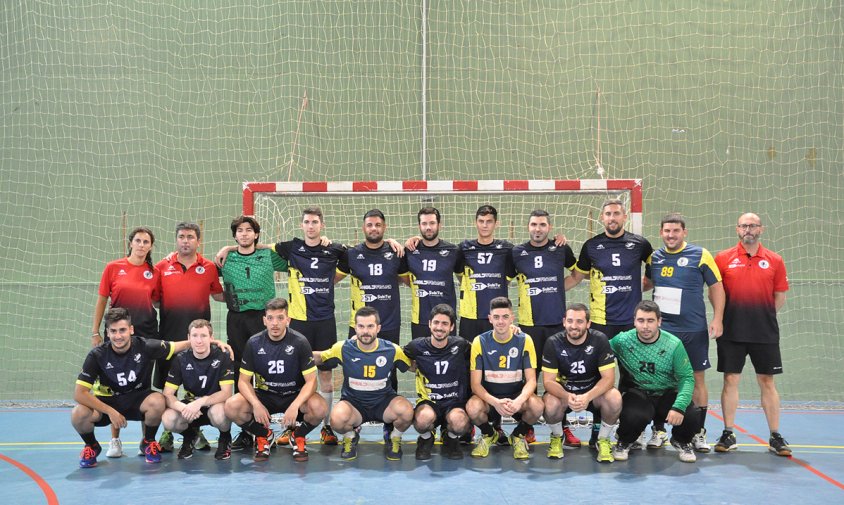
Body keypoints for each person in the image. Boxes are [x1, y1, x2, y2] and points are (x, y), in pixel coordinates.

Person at [72, 308, 229, 468]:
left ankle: (148, 442)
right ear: (107, 332)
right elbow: (79, 393)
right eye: (113, 331)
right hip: (109, 403)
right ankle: (91, 446)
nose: (118, 336)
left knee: (158, 401)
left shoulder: (145, 346)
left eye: (122, 330)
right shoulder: (97, 355)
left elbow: (176, 346)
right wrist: (110, 411)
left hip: (137, 401)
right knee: (78, 413)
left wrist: (210, 341)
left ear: (131, 330)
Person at [567, 199, 653, 447]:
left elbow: (652, 274)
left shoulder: (639, 244)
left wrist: (640, 288)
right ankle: (597, 431)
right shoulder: (591, 246)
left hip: (630, 323)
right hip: (602, 323)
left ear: (624, 216)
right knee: (599, 379)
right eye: (608, 214)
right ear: (602, 218)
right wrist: (550, 288)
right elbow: (576, 277)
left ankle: (630, 432)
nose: (612, 218)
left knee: (632, 379)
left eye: (616, 213)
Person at [643, 213, 725, 452]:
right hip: (662, 331)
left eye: (676, 231)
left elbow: (717, 288)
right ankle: (658, 430)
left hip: (693, 330)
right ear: (661, 233)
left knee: (697, 379)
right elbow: (647, 283)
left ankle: (698, 432)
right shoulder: (655, 258)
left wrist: (717, 318)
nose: (671, 235)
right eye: (667, 231)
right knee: (660, 381)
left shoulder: (700, 255)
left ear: (684, 232)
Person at [267, 207, 347, 446]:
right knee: (298, 376)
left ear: (321, 225)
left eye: (314, 222)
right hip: (299, 321)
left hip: (324, 320)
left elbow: (357, 256)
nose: (310, 226)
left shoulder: (334, 250)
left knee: (325, 374)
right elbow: (259, 248)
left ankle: (327, 427)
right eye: (306, 222)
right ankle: (292, 427)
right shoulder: (292, 248)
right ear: (301, 225)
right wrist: (229, 248)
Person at [713, 213, 791, 456]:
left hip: (764, 332)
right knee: (730, 379)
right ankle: (728, 433)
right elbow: (715, 293)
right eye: (744, 225)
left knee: (767, 381)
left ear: (761, 230)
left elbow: (779, 296)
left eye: (753, 225)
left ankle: (775, 435)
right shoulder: (723, 258)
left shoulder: (775, 260)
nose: (748, 229)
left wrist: (760, 315)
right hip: (731, 330)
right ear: (737, 229)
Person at [223, 298, 327, 462]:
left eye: (280, 318)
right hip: (265, 396)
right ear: (264, 320)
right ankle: (264, 435)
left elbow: (312, 381)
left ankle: (297, 436)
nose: (275, 323)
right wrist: (256, 404)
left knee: (320, 407)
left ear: (288, 320)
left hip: (294, 394)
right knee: (231, 406)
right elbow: (243, 381)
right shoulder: (254, 343)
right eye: (270, 318)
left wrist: (295, 405)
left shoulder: (300, 342)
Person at [216, 215, 288, 450]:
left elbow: (298, 258)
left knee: (271, 366)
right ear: (234, 235)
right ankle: (248, 430)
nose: (244, 234)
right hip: (237, 319)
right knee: (240, 370)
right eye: (239, 230)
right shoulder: (225, 259)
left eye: (249, 230)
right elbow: (196, 265)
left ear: (256, 234)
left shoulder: (268, 256)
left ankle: (288, 423)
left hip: (264, 318)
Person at [90, 226, 161, 458]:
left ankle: (146, 440)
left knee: (143, 386)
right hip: (118, 332)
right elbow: (102, 300)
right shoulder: (113, 268)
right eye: (138, 240)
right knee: (115, 385)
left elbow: (158, 302)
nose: (141, 245)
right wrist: (95, 332)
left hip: (146, 332)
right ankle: (115, 440)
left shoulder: (155, 272)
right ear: (130, 243)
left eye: (146, 242)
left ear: (151, 246)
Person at [155, 222, 224, 452]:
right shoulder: (162, 266)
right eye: (182, 236)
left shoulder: (210, 268)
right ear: (176, 240)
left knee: (200, 387)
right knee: (169, 388)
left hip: (199, 341)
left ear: (198, 240)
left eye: (190, 237)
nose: (186, 241)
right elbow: (154, 300)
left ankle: (195, 431)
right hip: (170, 339)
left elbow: (218, 295)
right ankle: (168, 433)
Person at [313, 306, 414, 461]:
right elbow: (320, 357)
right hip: (354, 405)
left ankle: (394, 437)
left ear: (378, 328)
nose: (365, 331)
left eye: (370, 326)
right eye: (361, 326)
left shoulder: (391, 350)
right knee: (336, 419)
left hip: (383, 403)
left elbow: (412, 367)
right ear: (355, 328)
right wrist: (294, 351)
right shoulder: (343, 348)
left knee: (406, 412)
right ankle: (351, 436)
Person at [512, 209, 577, 445]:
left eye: (542, 225)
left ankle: (562, 427)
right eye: (533, 224)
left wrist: (560, 288)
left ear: (549, 228)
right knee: (529, 377)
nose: (537, 229)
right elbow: (503, 278)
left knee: (559, 379)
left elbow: (578, 273)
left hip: (556, 325)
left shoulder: (560, 249)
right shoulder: (517, 252)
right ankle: (526, 426)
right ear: (528, 227)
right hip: (529, 324)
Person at [610, 301, 700, 463]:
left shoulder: (673, 344)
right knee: (633, 416)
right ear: (634, 321)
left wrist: (679, 407)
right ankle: (625, 441)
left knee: (692, 415)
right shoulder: (622, 341)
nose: (645, 326)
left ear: (659, 321)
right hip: (639, 393)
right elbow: (600, 352)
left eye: (650, 321)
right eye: (641, 320)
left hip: (667, 393)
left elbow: (687, 378)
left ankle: (681, 440)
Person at [466, 297, 543, 460]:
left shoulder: (524, 339)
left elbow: (531, 380)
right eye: (496, 317)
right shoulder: (479, 342)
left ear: (512, 318)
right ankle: (489, 434)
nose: (501, 321)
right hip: (490, 398)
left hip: (515, 397)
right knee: (472, 407)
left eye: (505, 317)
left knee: (537, 406)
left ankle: (518, 436)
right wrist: (495, 402)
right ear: (490, 318)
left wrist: (519, 400)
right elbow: (475, 384)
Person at [542, 303, 621, 462]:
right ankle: (558, 437)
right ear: (564, 322)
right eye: (570, 321)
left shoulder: (599, 339)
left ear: (588, 324)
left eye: (579, 321)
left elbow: (609, 378)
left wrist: (587, 396)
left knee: (614, 398)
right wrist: (567, 395)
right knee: (549, 403)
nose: (574, 326)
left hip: (593, 394)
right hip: (565, 394)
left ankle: (603, 439)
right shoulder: (553, 342)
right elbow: (548, 382)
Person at [404, 304, 472, 460]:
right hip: (429, 401)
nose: (439, 327)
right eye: (436, 322)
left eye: (444, 323)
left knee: (460, 423)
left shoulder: (461, 345)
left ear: (452, 327)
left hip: (454, 401)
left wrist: (512, 331)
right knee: (422, 420)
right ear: (429, 324)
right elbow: (394, 354)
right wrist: (412, 366)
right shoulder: (417, 346)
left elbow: (483, 348)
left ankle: (451, 438)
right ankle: (427, 438)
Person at [161, 319, 234, 460]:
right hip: (191, 408)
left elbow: (226, 393)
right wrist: (183, 408)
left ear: (211, 338)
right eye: (194, 336)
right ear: (188, 338)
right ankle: (190, 437)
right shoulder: (181, 359)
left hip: (214, 404)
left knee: (219, 413)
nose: (199, 341)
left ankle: (225, 438)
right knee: (168, 419)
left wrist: (201, 402)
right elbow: (167, 394)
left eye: (203, 336)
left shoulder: (222, 356)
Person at [403, 207, 463, 341]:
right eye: (424, 224)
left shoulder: (453, 251)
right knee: (419, 360)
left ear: (439, 225)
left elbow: (462, 279)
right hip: (420, 319)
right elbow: (403, 279)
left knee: (449, 358)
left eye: (432, 223)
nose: (428, 227)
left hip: (446, 319)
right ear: (419, 226)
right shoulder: (410, 251)